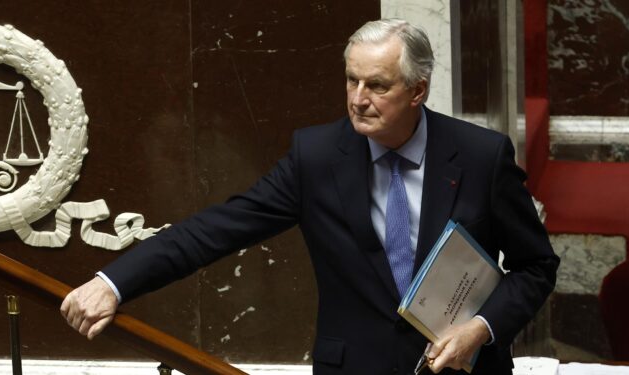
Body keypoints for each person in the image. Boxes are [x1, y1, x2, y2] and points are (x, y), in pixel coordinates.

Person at [61, 19, 559, 374]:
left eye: (377, 85)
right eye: (351, 79)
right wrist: (114, 282)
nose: (358, 98)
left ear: (418, 90)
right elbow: (216, 229)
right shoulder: (317, 157)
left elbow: (535, 267)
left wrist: (482, 327)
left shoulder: (480, 156)